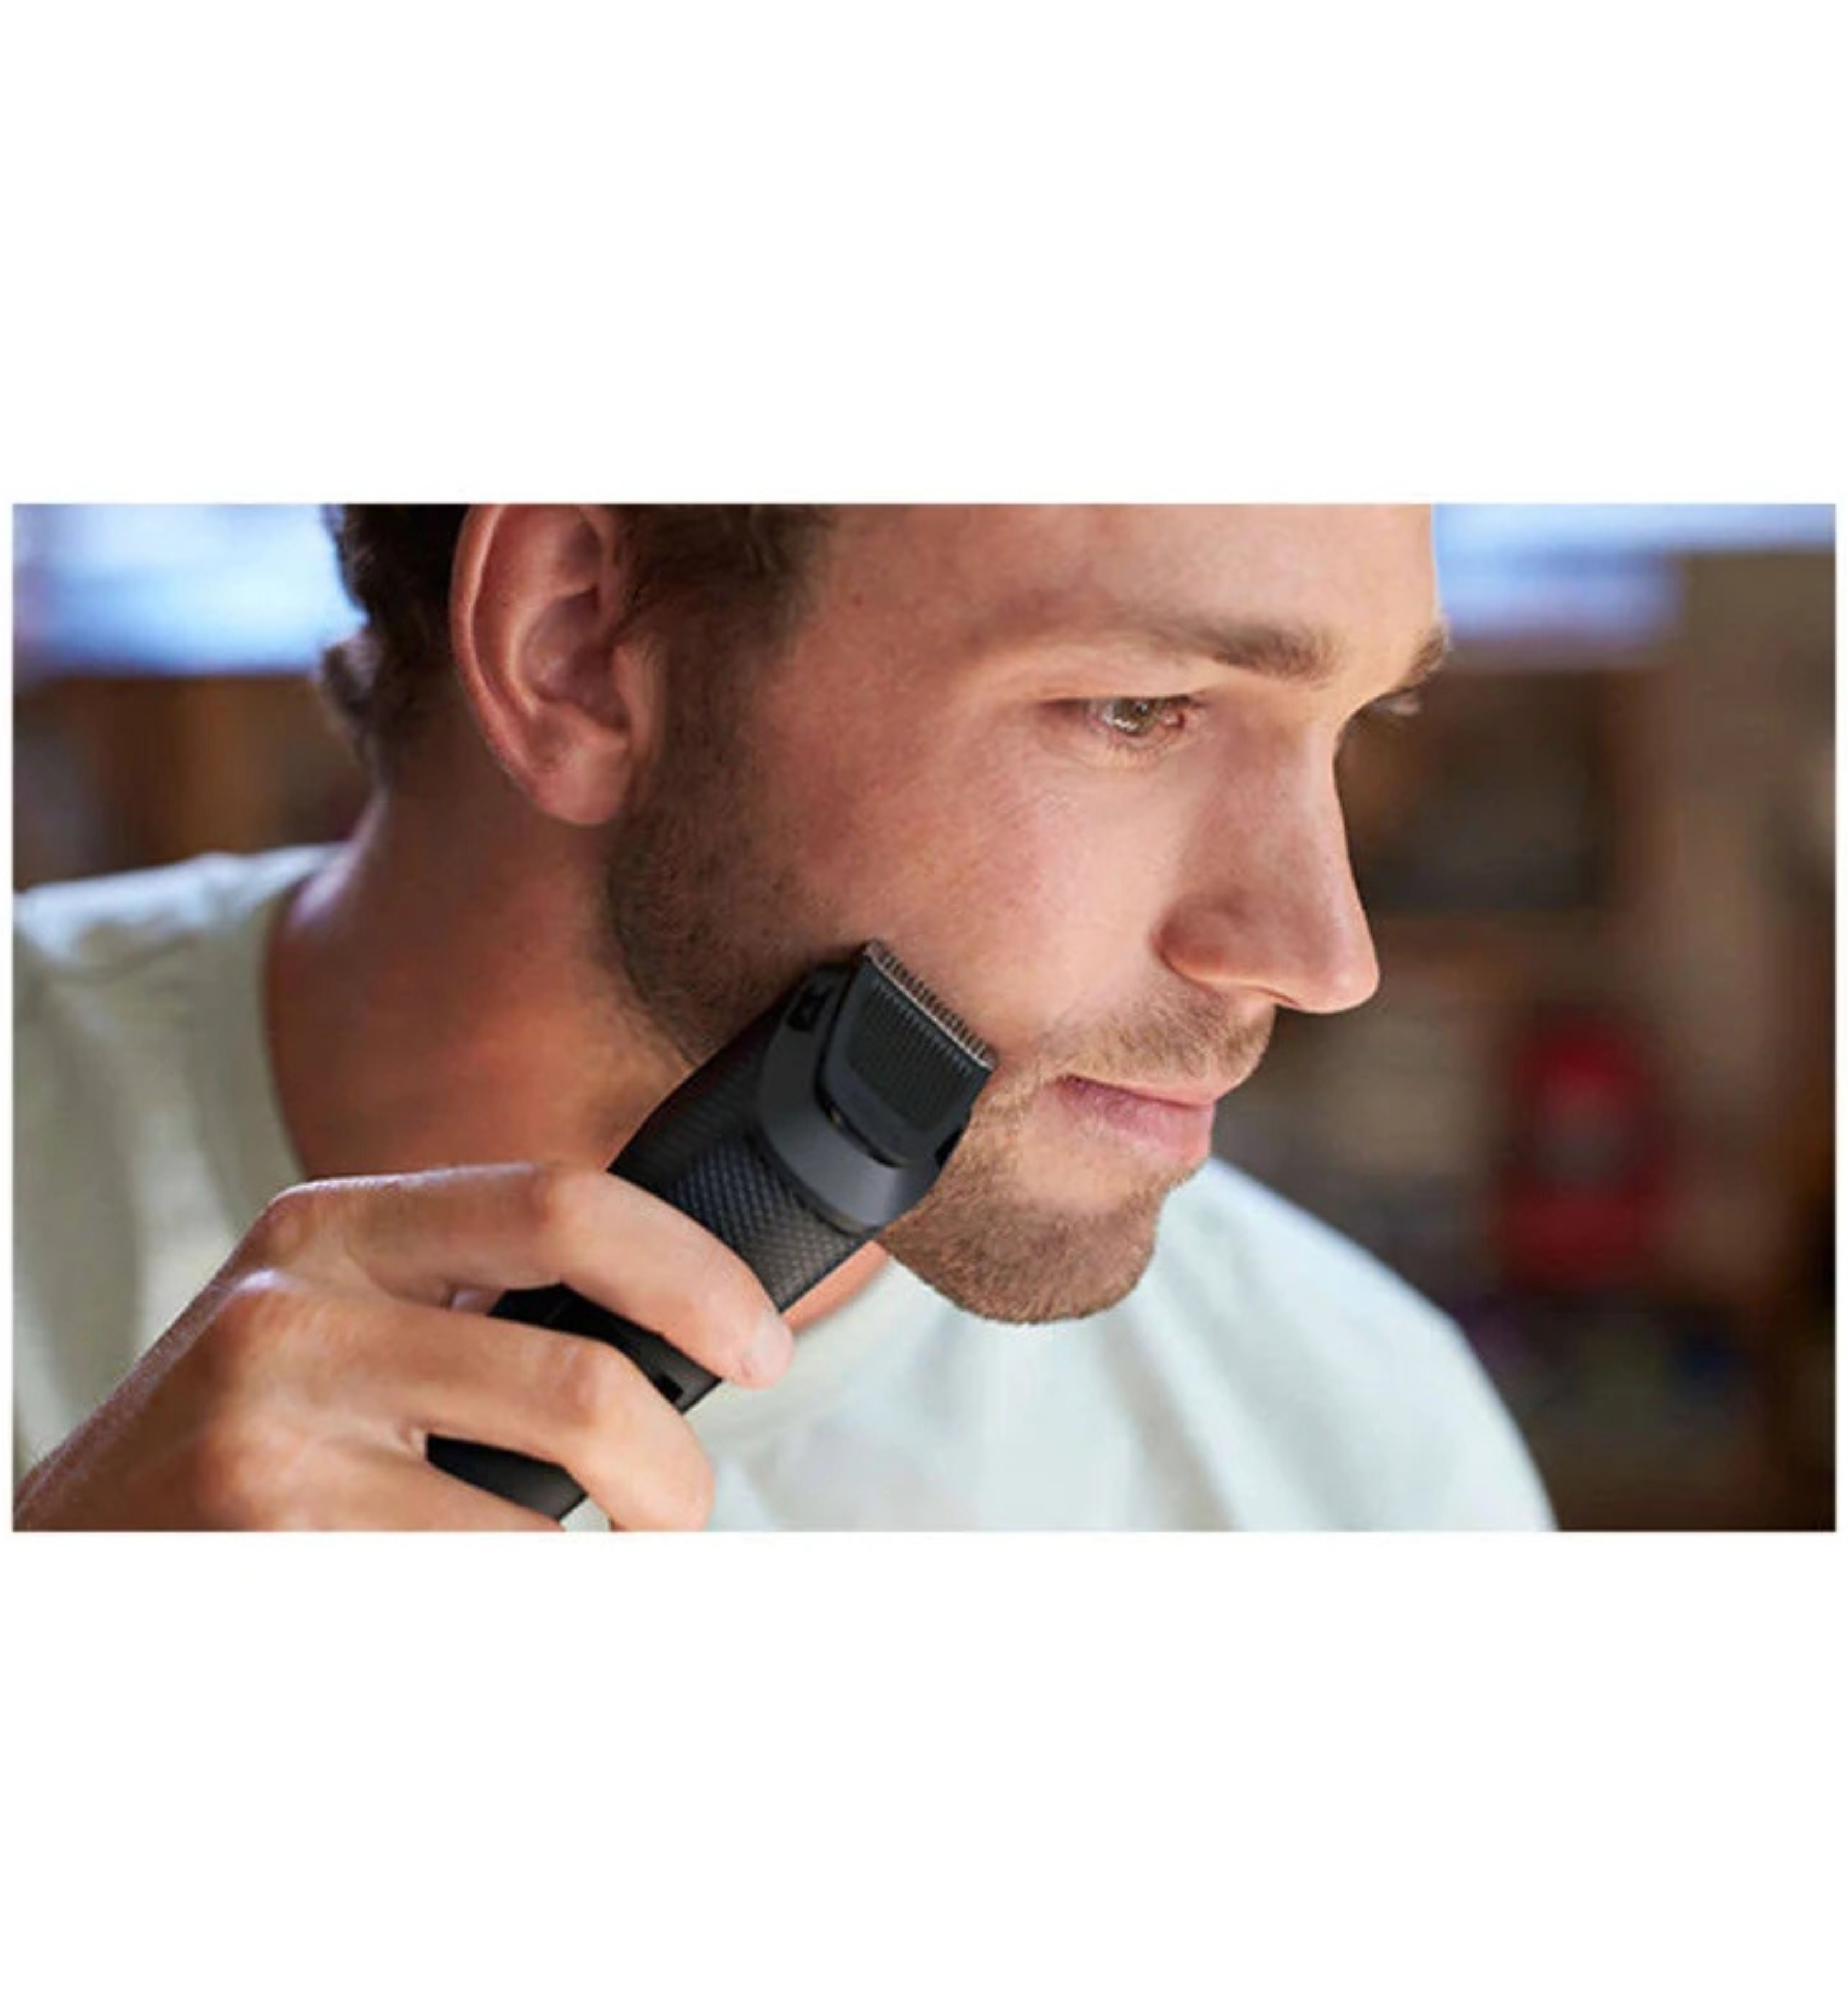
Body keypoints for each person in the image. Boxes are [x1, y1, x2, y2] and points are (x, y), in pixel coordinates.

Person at [13, 504, 1553, 1531]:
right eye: (1137, 709)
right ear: (577, 641)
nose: (1322, 956)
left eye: (1357, 723)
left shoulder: (1364, 1452)